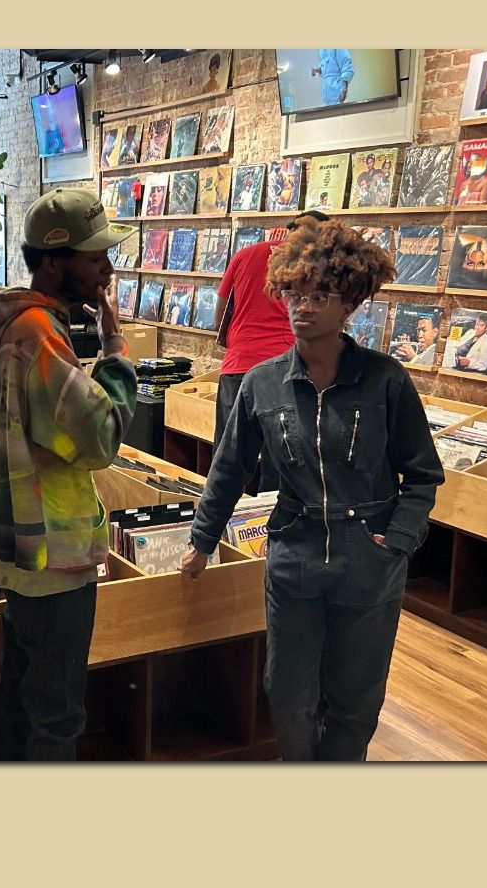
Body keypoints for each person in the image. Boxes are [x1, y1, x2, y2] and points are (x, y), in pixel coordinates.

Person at [182, 222, 446, 761]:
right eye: (295, 294)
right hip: (293, 551)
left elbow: (422, 474)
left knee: (355, 697)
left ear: (349, 303)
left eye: (320, 296)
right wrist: (203, 540)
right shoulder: (261, 383)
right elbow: (229, 468)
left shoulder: (386, 380)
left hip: (368, 558)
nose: (303, 307)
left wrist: (396, 541)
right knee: (286, 689)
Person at [0, 189, 137, 760]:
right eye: (95, 257)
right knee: (58, 713)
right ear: (54, 261)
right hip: (54, 554)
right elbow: (101, 437)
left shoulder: (7, 326)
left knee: (23, 692)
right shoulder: (39, 334)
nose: (107, 268)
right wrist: (114, 348)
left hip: (20, 544)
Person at [212, 209, 330, 483]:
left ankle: (223, 512)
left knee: (227, 462)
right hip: (284, 371)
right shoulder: (314, 268)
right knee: (279, 467)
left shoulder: (244, 255)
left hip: (237, 367)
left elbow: (219, 321)